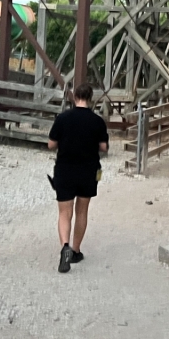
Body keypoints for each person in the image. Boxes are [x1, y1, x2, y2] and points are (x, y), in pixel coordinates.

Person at [47, 82, 108, 274]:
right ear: (90, 98)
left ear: (75, 97)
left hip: (64, 170)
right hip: (88, 171)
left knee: (65, 213)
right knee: (82, 212)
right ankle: (75, 250)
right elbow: (104, 147)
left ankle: (64, 246)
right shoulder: (97, 121)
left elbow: (51, 144)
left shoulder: (63, 118)